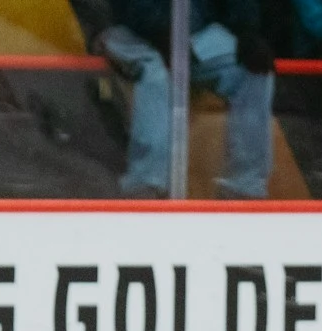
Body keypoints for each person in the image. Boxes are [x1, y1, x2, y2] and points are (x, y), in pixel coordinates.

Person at [95, 0, 275, 198]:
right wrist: (163, 33)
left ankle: (245, 187)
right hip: (134, 34)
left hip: (196, 37)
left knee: (255, 71)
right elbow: (134, 9)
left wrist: (247, 32)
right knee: (156, 73)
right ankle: (146, 183)